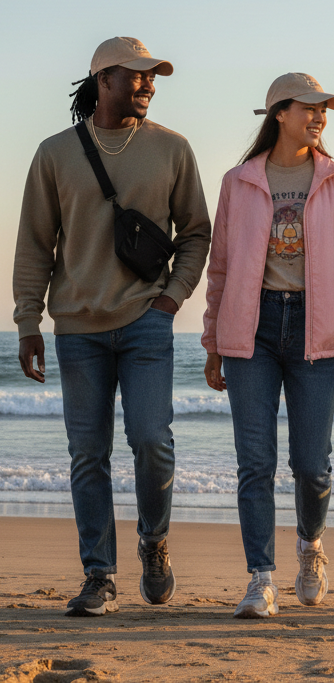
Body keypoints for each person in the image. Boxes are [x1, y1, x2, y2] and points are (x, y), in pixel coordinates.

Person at [13, 37, 211, 616]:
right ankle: (99, 574)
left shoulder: (173, 149)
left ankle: (154, 541)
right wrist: (29, 320)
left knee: (153, 442)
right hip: (76, 328)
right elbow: (33, 243)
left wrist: (173, 298)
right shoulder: (55, 153)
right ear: (104, 79)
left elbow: (197, 231)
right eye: (138, 76)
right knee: (87, 454)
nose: (148, 85)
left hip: (148, 321)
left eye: (153, 78)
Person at [201, 73, 334, 618]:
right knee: (254, 464)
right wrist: (213, 336)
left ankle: (310, 546)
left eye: (325, 110)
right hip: (249, 329)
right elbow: (222, 265)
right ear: (280, 113)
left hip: (314, 328)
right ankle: (260, 579)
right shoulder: (240, 180)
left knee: (311, 464)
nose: (320, 116)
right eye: (310, 108)